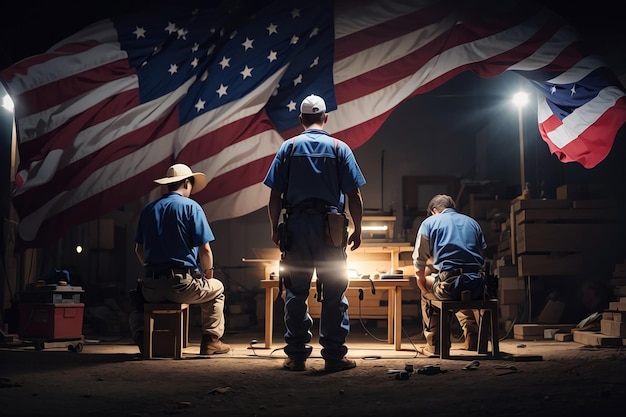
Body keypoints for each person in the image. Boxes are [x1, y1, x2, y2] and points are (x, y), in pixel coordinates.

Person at [263, 94, 366, 372]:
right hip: (331, 229)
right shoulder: (339, 148)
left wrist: (275, 228)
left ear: (301, 119)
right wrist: (357, 228)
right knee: (334, 292)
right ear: (326, 118)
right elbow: (353, 194)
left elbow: (275, 195)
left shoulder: (288, 148)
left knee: (295, 293)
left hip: (296, 228)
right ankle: (334, 356)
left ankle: (296, 355)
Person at [130, 163, 230, 356]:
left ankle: (142, 338)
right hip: (181, 285)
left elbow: (138, 249)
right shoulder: (191, 207)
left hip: (151, 287)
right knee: (217, 289)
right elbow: (205, 249)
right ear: (186, 183)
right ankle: (211, 341)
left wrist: (152, 268)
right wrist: (208, 274)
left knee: (136, 302)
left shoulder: (149, 209)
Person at [412, 194, 487, 355]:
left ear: (434, 211)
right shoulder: (472, 223)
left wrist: (422, 281)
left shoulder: (430, 222)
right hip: (477, 285)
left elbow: (419, 260)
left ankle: (436, 343)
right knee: (462, 291)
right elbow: (481, 254)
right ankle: (472, 337)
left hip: (449, 284)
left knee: (429, 291)